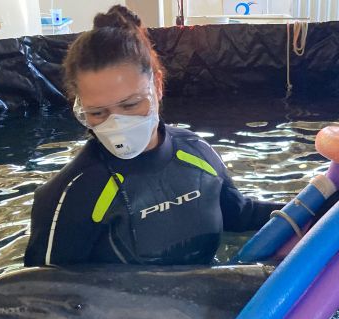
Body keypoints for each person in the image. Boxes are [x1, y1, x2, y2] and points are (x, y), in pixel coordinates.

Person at [24, 5, 283, 267]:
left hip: (213, 301)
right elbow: (42, 293)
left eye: (130, 105)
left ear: (157, 86)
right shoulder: (70, 195)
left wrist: (317, 209)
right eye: (98, 113)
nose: (117, 123)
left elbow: (239, 216)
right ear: (80, 107)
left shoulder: (196, 152)